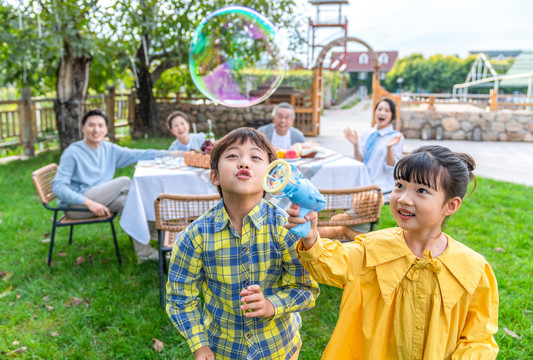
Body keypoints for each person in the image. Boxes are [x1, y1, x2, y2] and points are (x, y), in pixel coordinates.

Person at [287, 145, 499, 359]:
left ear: (451, 205)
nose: (404, 198)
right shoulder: (372, 249)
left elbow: (479, 338)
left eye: (421, 190)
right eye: (399, 185)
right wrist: (312, 237)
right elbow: (331, 264)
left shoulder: (473, 269)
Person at [166, 127, 320, 360]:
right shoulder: (194, 236)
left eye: (255, 157)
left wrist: (271, 305)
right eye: (232, 156)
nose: (244, 163)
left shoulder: (285, 229)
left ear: (272, 177)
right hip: (223, 351)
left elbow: (305, 289)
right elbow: (180, 298)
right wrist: (200, 346)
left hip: (278, 349)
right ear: (214, 176)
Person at [52, 109, 169, 262]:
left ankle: (145, 253)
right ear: (83, 128)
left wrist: (169, 154)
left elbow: (137, 154)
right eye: (91, 125)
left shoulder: (108, 149)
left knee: (128, 201)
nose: (96, 130)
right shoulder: (72, 152)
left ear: (106, 129)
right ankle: (155, 233)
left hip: (100, 199)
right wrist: (89, 203)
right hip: (77, 207)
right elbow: (58, 187)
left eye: (100, 126)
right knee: (125, 182)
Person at [343, 98, 404, 198]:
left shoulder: (396, 137)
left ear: (392, 115)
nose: (382, 113)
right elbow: (360, 161)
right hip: (363, 181)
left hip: (381, 185)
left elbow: (391, 168)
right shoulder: (367, 133)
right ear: (375, 112)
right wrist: (355, 145)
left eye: (386, 111)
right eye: (379, 109)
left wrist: (389, 148)